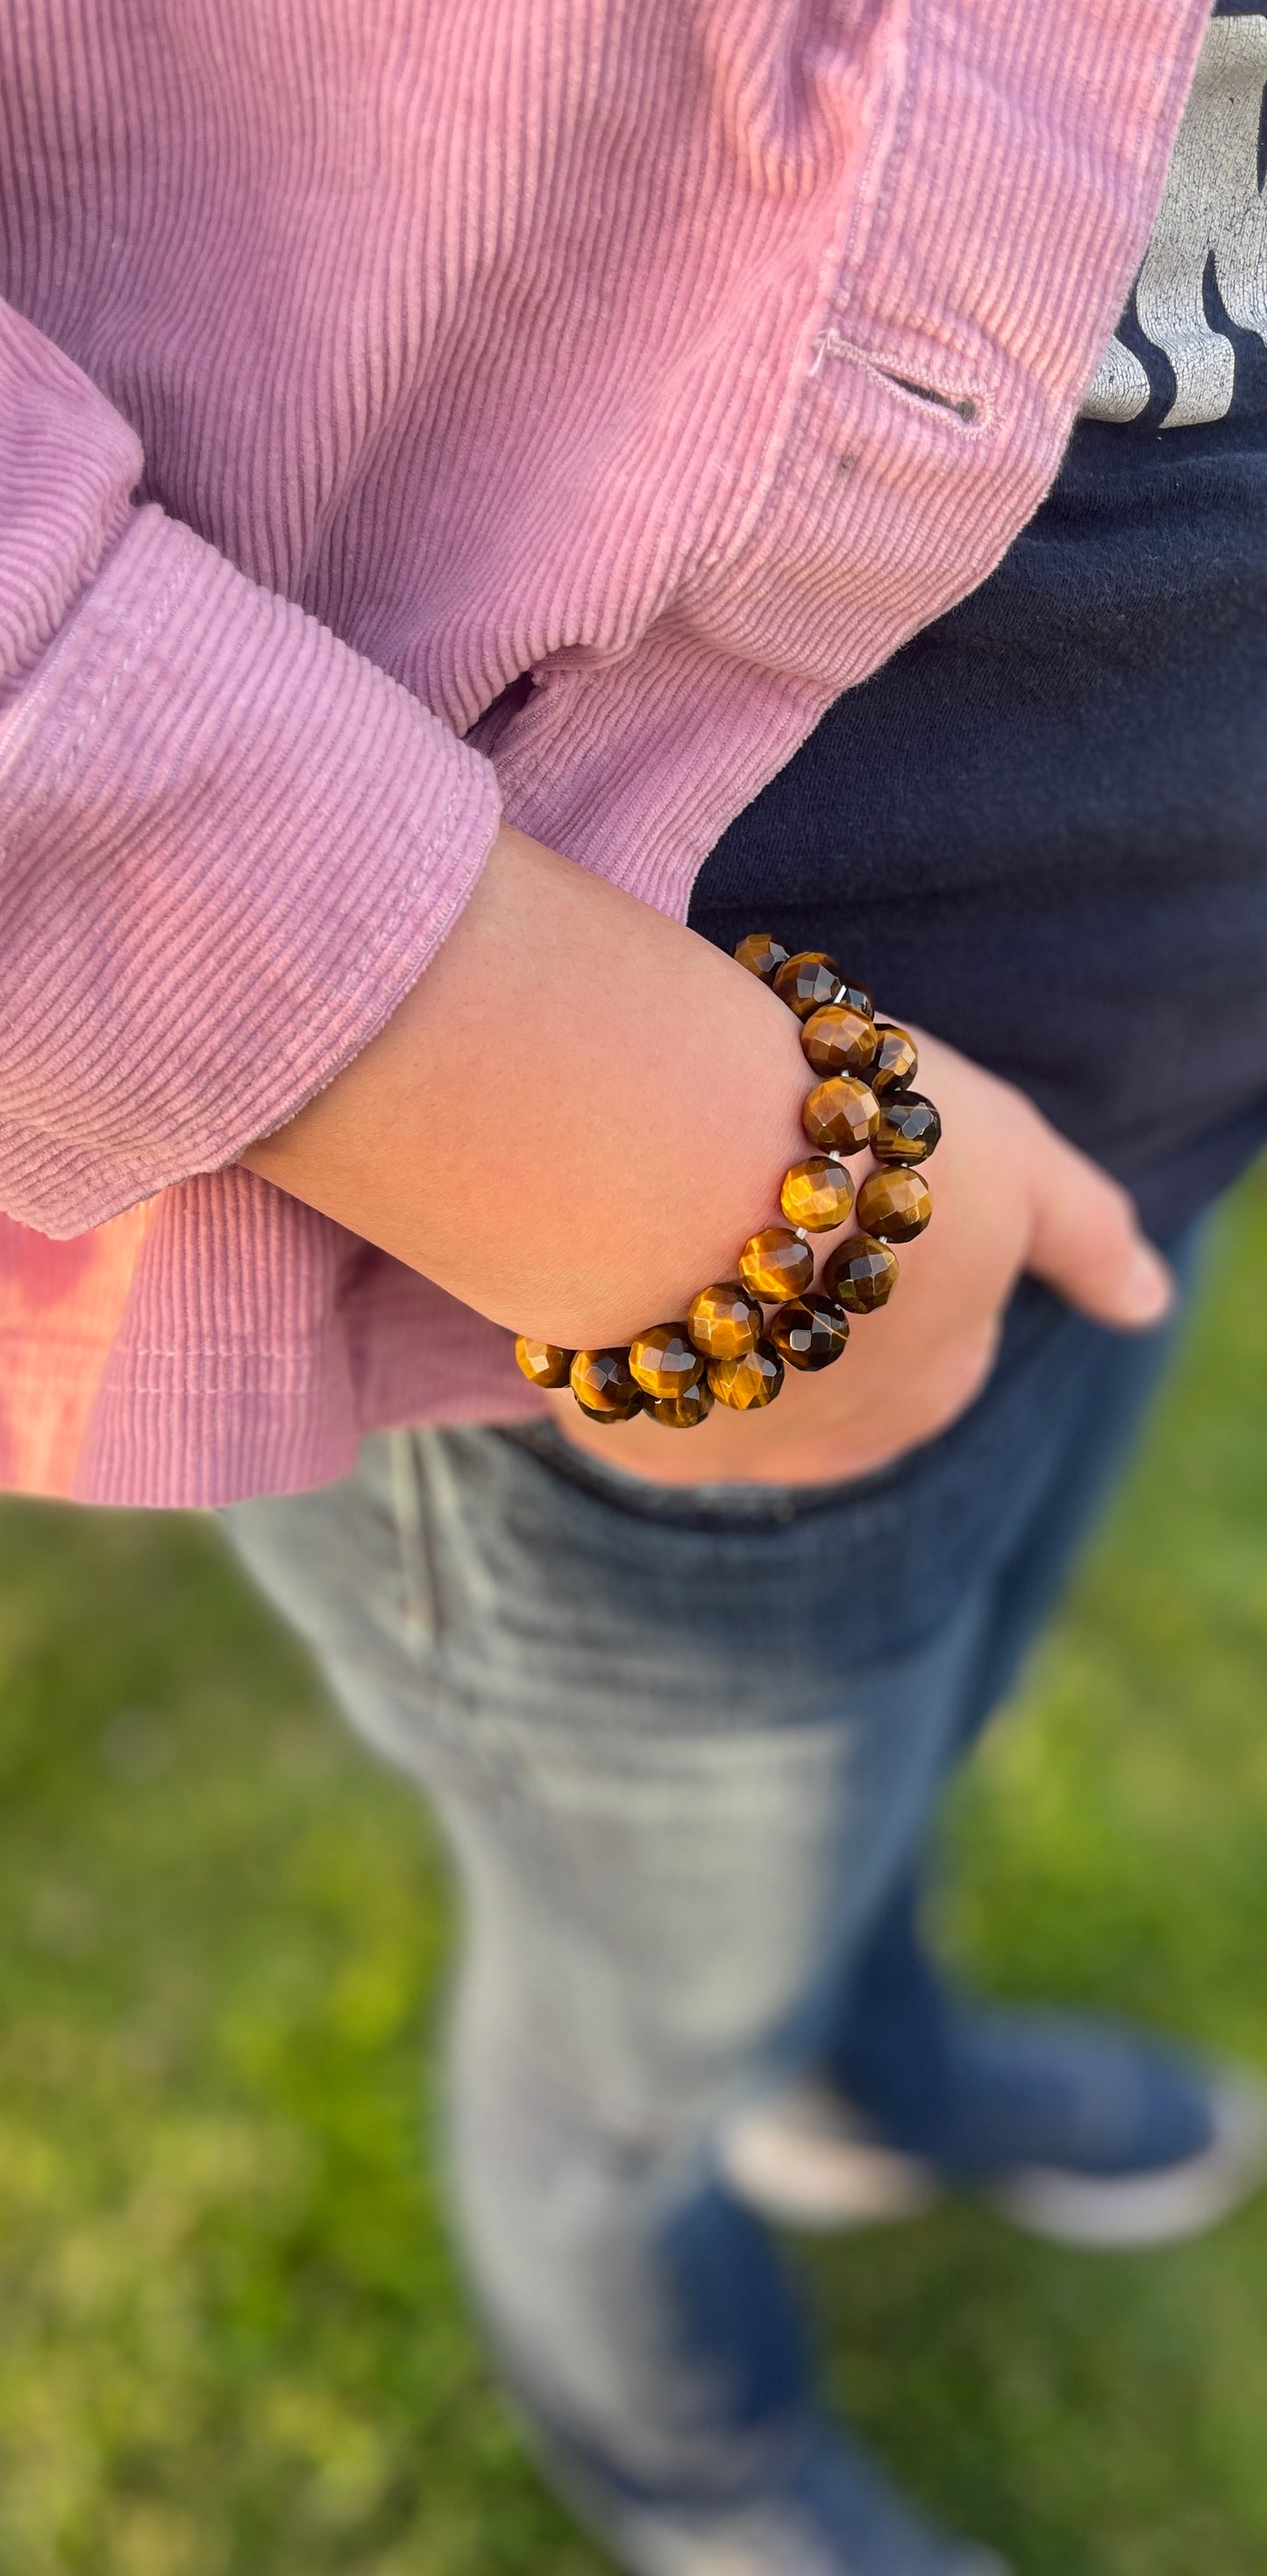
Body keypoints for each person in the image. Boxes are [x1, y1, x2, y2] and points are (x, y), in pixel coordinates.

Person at [2, 2, 1265, 2568]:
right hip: (616, 1217)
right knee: (641, 2010)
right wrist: (617, 1146)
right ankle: (673, 2418)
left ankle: (856, 2057)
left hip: (1166, 1042)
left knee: (927, 1728)